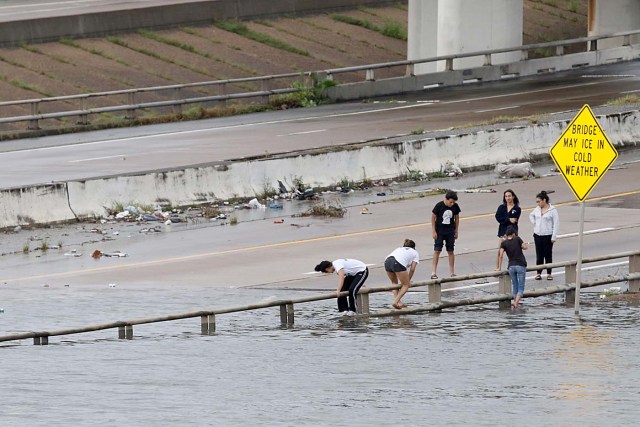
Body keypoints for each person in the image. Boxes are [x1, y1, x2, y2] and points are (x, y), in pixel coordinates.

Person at [529, 190, 559, 280]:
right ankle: (538, 273)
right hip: (538, 235)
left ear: (544, 200)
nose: (537, 203)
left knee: (548, 254)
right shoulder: (537, 209)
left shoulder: (552, 210)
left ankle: (549, 273)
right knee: (539, 255)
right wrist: (534, 222)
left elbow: (556, 223)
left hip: (547, 235)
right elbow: (531, 215)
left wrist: (554, 236)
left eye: (539, 201)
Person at [431, 190, 461, 279]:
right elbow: (433, 217)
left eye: (453, 202)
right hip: (439, 231)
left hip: (450, 231)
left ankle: (452, 272)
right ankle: (433, 272)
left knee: (450, 251)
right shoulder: (439, 205)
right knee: (437, 250)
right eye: (451, 202)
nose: (452, 204)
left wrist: (456, 230)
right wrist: (433, 231)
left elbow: (457, 218)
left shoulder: (455, 207)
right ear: (446, 199)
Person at [497, 225, 529, 309]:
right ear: (514, 233)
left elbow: (500, 255)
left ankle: (515, 304)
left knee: (515, 286)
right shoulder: (517, 239)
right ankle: (515, 304)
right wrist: (525, 245)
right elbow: (524, 247)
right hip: (520, 265)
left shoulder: (504, 243)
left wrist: (499, 268)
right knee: (521, 288)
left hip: (511, 266)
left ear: (506, 235)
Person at [384, 239, 420, 310]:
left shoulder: (399, 248)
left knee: (394, 283)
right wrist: (408, 280)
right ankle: (395, 302)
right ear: (414, 247)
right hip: (398, 263)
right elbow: (412, 269)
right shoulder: (415, 253)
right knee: (406, 285)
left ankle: (399, 302)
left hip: (387, 261)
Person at [495, 189, 522, 269]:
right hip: (502, 231)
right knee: (500, 250)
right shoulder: (501, 207)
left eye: (509, 196)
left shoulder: (517, 208)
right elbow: (498, 217)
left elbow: (514, 220)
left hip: (512, 232)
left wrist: (507, 220)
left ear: (513, 197)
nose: (508, 198)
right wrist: (508, 219)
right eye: (506, 196)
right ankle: (498, 267)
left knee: (513, 251)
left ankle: (513, 266)